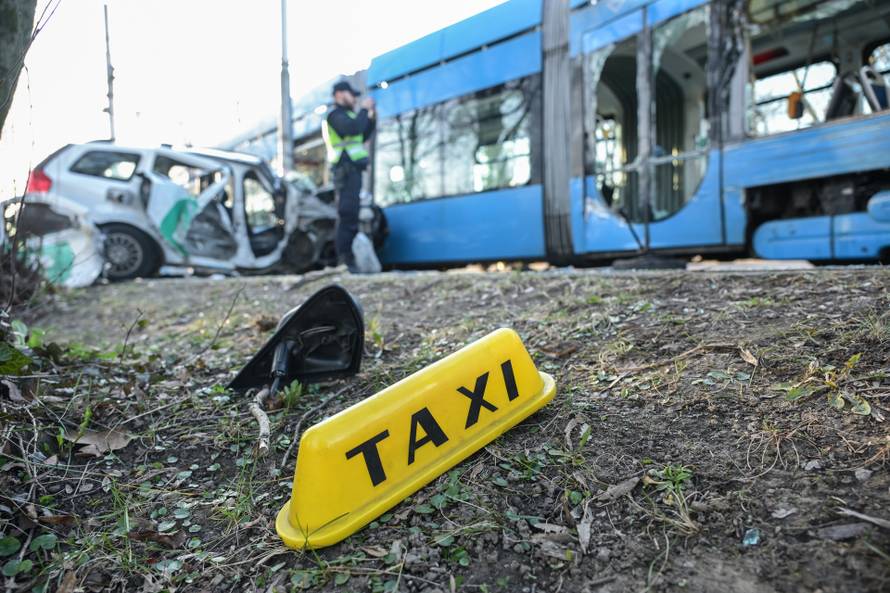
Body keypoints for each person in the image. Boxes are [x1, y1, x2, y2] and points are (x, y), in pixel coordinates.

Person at [323, 80, 376, 272]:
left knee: (352, 214)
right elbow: (352, 129)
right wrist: (363, 111)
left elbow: (362, 133)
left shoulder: (351, 115)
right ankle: (345, 260)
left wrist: (371, 118)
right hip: (344, 172)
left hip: (353, 172)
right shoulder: (334, 115)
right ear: (339, 94)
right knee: (346, 214)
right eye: (351, 94)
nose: (354, 98)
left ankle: (348, 259)